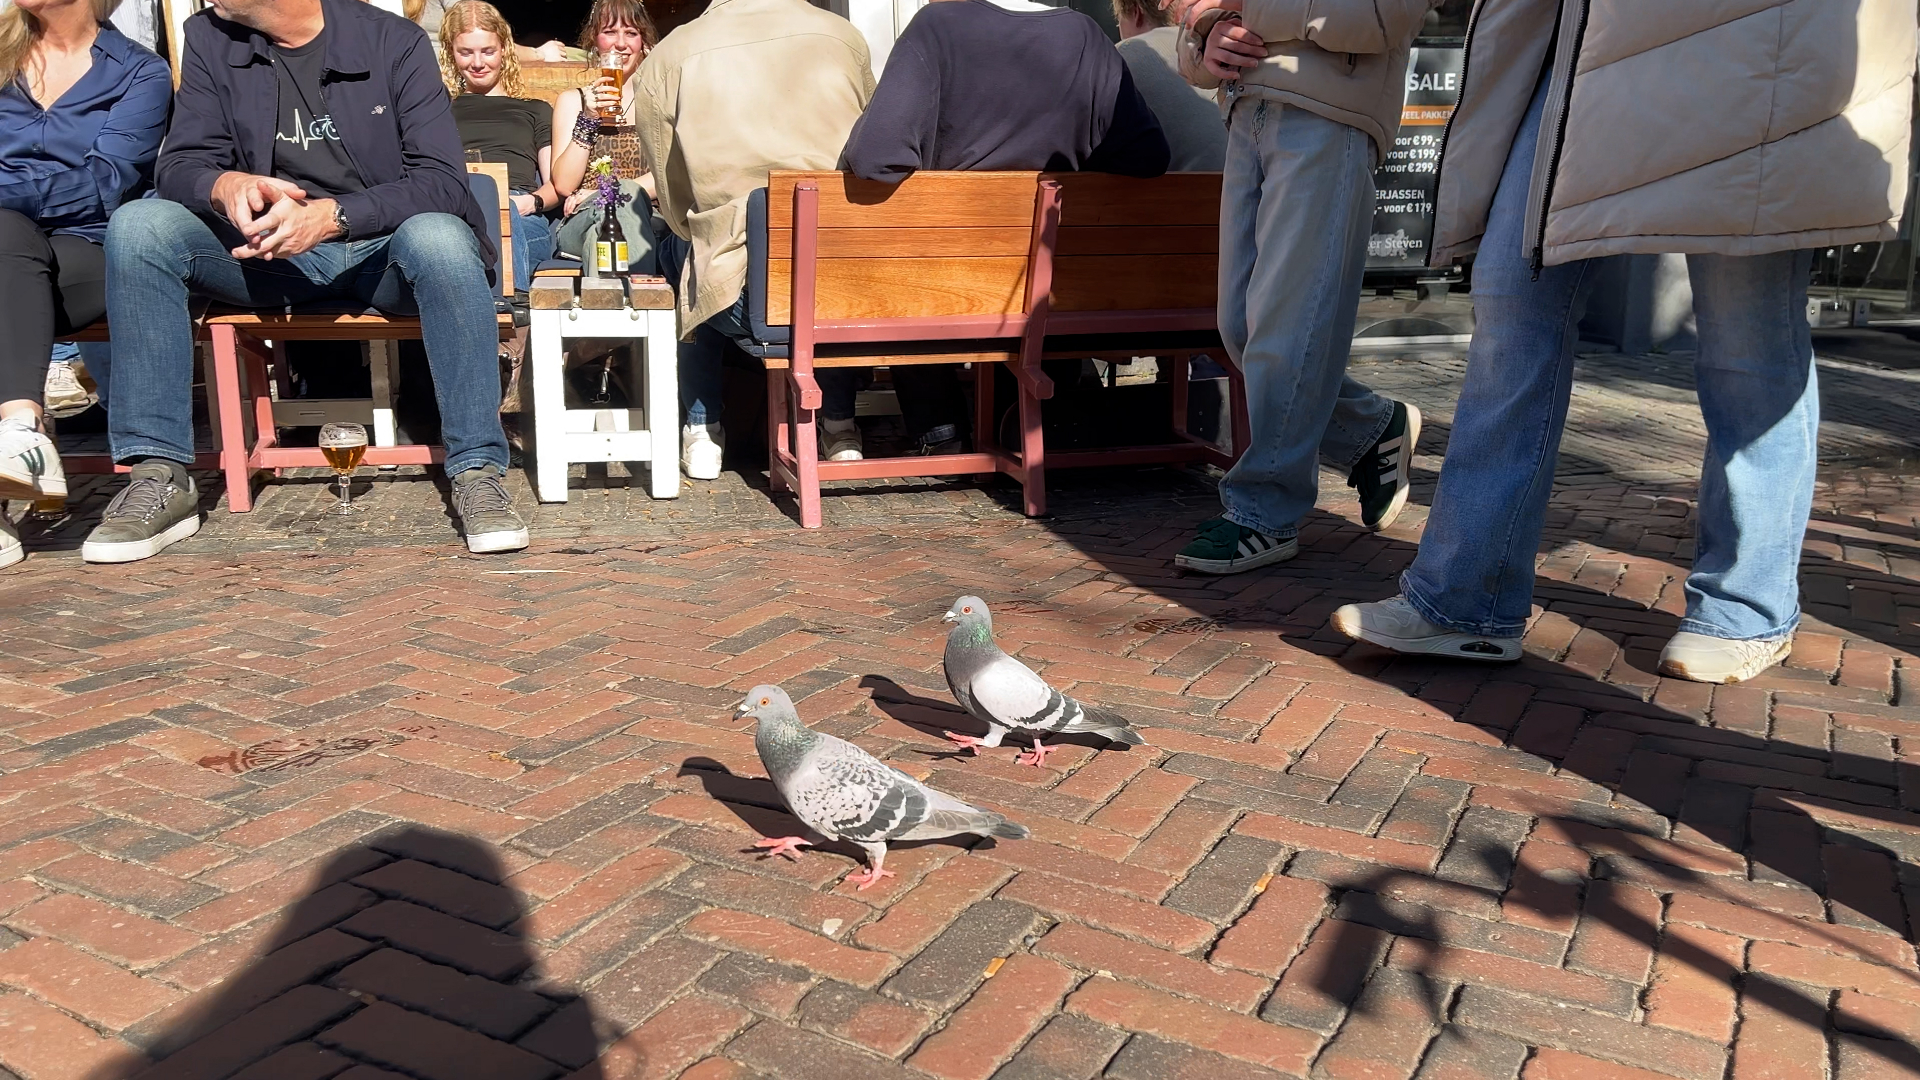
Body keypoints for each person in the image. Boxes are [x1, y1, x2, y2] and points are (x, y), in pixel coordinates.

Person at [1333, 1, 1918, 685]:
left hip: (1755, 36)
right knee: (1511, 304)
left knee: (1745, 338)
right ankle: (1464, 600)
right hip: (1579, 42)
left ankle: (1746, 606)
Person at [94, 0, 529, 562]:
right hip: (266, 255)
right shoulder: (208, 36)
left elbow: (443, 182)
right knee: (140, 225)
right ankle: (157, 473)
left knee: (442, 238)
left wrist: (333, 216)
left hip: (380, 252)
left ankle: (476, 471)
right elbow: (178, 165)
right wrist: (223, 183)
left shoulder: (393, 41)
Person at [1166, 0, 1433, 575]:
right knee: (1241, 327)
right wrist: (1207, 29)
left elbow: (1385, 17)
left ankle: (1265, 510)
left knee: (1288, 327)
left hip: (1328, 113)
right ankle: (1368, 428)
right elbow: (1197, 33)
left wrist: (1242, 9)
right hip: (1243, 111)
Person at [839, 0, 1171, 462]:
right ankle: (1025, 418)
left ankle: (941, 431)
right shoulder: (1084, 35)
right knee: (1047, 265)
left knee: (906, 263)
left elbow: (876, 156)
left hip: (946, 290)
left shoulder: (938, 25)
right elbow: (1149, 156)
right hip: (1056, 290)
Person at [634, 0, 875, 480]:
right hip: (842, 277)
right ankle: (840, 424)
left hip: (743, 295)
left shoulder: (672, 53)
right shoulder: (843, 35)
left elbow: (672, 192)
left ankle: (703, 428)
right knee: (828, 262)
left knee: (685, 252)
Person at [0, 0, 170, 570]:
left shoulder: (140, 73)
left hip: (91, 252)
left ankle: (20, 447)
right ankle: (20, 434)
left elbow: (104, 183)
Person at [442, 0, 557, 293]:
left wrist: (529, 202)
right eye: (466, 52)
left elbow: (556, 184)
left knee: (502, 222)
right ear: (451, 54)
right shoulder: (439, 110)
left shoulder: (535, 110)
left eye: (488, 51)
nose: (478, 63)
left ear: (504, 49)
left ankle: (508, 318)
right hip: (458, 207)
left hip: (519, 210)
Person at [550, 0, 658, 274]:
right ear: (595, 40)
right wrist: (588, 117)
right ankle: (637, 305)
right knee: (605, 219)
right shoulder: (572, 101)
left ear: (643, 42)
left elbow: (672, 174)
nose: (620, 44)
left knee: (602, 237)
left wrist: (608, 192)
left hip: (650, 218)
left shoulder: (659, 100)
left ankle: (606, 305)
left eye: (631, 33)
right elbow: (563, 185)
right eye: (610, 32)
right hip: (584, 215)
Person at [1112, 0, 1224, 172]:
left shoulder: (1120, 56)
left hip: (1174, 193)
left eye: (1119, 20)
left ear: (1136, 11)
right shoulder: (1218, 48)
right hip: (1247, 190)